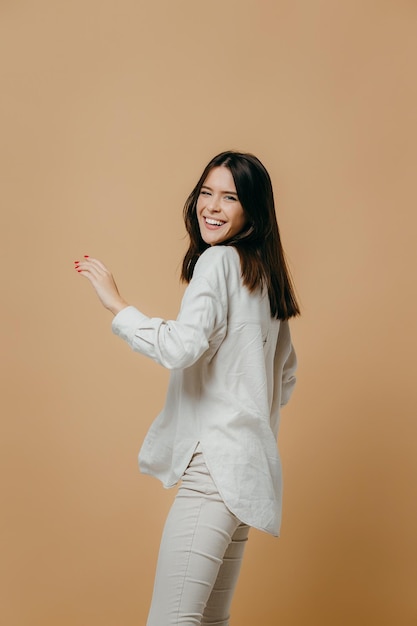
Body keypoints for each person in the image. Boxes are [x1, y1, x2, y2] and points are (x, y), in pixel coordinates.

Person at [74, 150, 299, 626]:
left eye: (229, 197)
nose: (211, 207)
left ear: (252, 210)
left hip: (214, 469)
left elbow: (181, 348)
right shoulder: (265, 276)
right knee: (209, 620)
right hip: (248, 471)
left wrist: (118, 306)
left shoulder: (217, 263)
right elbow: (285, 376)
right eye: (206, 193)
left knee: (173, 620)